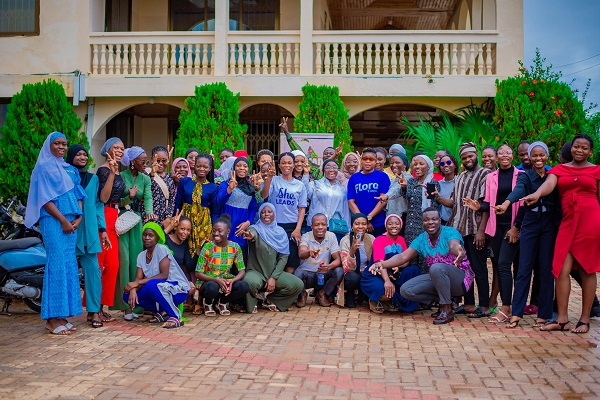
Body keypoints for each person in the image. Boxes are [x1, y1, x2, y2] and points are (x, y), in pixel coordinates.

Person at [521, 134, 600, 334]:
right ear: (570, 148)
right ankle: (562, 319)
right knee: (560, 270)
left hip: (590, 222)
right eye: (576, 146)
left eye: (584, 148)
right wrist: (537, 193)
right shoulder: (559, 169)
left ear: (590, 151)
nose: (579, 150)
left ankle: (584, 319)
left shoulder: (596, 170)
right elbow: (549, 184)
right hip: (567, 223)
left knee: (587, 269)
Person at [493, 142, 560, 329]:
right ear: (529, 157)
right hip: (530, 226)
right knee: (523, 270)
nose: (538, 159)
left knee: (546, 270)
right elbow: (518, 192)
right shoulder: (525, 177)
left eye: (542, 155)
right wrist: (506, 204)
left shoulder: (553, 176)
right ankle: (516, 313)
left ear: (547, 156)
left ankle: (544, 314)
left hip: (548, 227)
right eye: (534, 156)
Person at [25, 132, 86, 335]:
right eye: (57, 143)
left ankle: (63, 315)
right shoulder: (43, 168)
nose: (61, 147)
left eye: (64, 144)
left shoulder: (69, 169)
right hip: (54, 222)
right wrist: (62, 220)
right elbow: (44, 199)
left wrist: (78, 217)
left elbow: (78, 193)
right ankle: (51, 320)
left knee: (69, 266)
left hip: (71, 223)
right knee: (57, 266)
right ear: (49, 146)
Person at [371, 208, 473, 325]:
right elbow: (403, 257)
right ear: (422, 222)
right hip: (438, 277)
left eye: (434, 219)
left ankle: (446, 310)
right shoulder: (421, 239)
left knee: (436, 267)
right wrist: (382, 264)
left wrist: (458, 251)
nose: (430, 222)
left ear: (440, 220)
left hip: (460, 279)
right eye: (426, 220)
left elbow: (454, 245)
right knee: (406, 290)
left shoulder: (450, 232)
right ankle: (447, 302)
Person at [464, 144, 522, 323]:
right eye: (501, 153)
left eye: (508, 152)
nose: (505, 155)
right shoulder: (491, 177)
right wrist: (478, 206)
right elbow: (488, 203)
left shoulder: (521, 176)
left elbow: (522, 202)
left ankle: (506, 307)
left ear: (513, 156)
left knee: (506, 265)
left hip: (513, 226)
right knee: (501, 265)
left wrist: (516, 227)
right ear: (497, 157)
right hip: (496, 228)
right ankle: (508, 307)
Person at [66, 144, 109, 329]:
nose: (82, 157)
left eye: (85, 154)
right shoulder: (65, 176)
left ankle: (93, 311)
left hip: (90, 229)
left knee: (93, 272)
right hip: (68, 228)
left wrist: (103, 229)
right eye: (78, 154)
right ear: (71, 157)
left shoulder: (93, 179)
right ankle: (63, 312)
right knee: (67, 272)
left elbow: (98, 205)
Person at [123, 222, 190, 329]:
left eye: (151, 235)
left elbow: (164, 275)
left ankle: (175, 316)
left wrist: (137, 283)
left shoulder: (161, 249)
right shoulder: (141, 256)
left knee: (151, 285)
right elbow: (138, 279)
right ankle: (163, 312)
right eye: (145, 235)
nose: (147, 238)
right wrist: (132, 289)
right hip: (159, 288)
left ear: (157, 237)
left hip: (178, 290)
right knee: (126, 295)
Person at [115, 146, 156, 320]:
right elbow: (116, 199)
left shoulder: (145, 178)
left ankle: (136, 306)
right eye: (142, 160)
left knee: (137, 260)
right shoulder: (121, 177)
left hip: (137, 220)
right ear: (132, 162)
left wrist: (149, 212)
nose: (145, 163)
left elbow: (148, 197)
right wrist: (129, 197)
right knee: (124, 260)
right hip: (123, 220)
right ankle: (125, 307)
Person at [242, 203, 304, 312]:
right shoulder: (255, 229)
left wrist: (273, 277)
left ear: (274, 214)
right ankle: (252, 304)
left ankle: (270, 300)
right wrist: (250, 236)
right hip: (256, 272)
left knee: (297, 285)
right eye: (263, 212)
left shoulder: (280, 233)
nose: (266, 214)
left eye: (269, 212)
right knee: (249, 281)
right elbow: (252, 235)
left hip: (274, 273)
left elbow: (283, 258)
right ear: (259, 214)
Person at [452, 142, 490, 318]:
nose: (468, 160)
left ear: (476, 155)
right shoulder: (459, 177)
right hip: (459, 229)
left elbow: (486, 205)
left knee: (479, 267)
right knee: (463, 267)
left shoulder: (485, 174)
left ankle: (485, 306)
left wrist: (481, 231)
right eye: (464, 157)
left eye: (470, 156)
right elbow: (455, 204)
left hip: (475, 230)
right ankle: (468, 304)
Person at [360, 214, 421, 313]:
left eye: (397, 224)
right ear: (386, 226)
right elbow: (380, 263)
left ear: (401, 226)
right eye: (390, 224)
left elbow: (406, 260)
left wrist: (398, 265)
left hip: (394, 273)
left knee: (414, 271)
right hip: (376, 274)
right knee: (384, 290)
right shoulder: (379, 240)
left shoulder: (401, 239)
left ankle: (400, 301)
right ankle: (375, 300)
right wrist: (387, 281)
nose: (394, 226)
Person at [260, 152, 308, 273]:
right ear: (279, 165)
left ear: (293, 165)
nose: (286, 165)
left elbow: (302, 208)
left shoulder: (300, 185)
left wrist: (298, 229)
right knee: (274, 257)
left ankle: (287, 286)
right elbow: (263, 195)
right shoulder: (274, 180)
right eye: (283, 163)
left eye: (289, 163)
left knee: (291, 258)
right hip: (274, 225)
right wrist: (270, 178)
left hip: (292, 226)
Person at [96, 137, 126, 323]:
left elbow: (117, 198)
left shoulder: (117, 171)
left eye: (122, 148)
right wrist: (113, 173)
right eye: (116, 147)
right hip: (103, 216)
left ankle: (103, 305)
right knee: (101, 265)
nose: (120, 150)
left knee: (113, 265)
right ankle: (95, 308)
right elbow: (103, 198)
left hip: (115, 216)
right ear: (107, 150)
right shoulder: (103, 171)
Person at [195, 214, 249, 316]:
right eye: (214, 230)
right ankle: (208, 303)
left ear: (228, 231)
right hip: (209, 282)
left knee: (244, 286)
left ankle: (223, 302)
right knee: (212, 287)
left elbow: (242, 270)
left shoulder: (235, 247)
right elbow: (198, 273)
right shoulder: (208, 247)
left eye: (220, 231)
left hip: (226, 281)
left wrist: (232, 281)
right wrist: (216, 280)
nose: (216, 234)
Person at [396, 154, 440, 272]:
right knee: (410, 257)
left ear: (428, 166)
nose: (417, 166)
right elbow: (407, 198)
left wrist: (430, 196)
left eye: (421, 164)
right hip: (410, 226)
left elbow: (434, 207)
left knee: (424, 258)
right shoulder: (411, 181)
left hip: (424, 226)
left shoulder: (431, 183)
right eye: (415, 164)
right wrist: (404, 188)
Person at [174, 153, 220, 256]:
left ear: (210, 168)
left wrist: (214, 229)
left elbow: (214, 211)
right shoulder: (185, 181)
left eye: (205, 167)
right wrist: (175, 220)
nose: (201, 169)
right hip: (185, 221)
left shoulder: (212, 187)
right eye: (199, 166)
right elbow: (178, 202)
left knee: (201, 254)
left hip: (203, 224)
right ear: (194, 166)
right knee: (183, 251)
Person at [295, 214, 343, 307]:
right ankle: (302, 295)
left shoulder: (331, 236)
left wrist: (329, 267)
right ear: (311, 226)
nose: (320, 227)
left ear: (327, 226)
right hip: (307, 274)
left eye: (323, 224)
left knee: (339, 271)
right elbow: (301, 254)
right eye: (316, 225)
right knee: (297, 273)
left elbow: (338, 259)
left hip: (322, 274)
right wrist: (309, 253)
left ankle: (322, 294)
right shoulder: (305, 236)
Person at [217, 157, 258, 258]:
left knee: (240, 258)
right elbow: (219, 201)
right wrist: (230, 189)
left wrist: (248, 222)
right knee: (224, 256)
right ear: (234, 168)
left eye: (245, 166)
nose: (242, 168)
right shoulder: (225, 184)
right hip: (227, 224)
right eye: (238, 166)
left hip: (241, 227)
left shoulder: (250, 187)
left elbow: (253, 207)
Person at [347, 148, 390, 237]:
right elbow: (351, 202)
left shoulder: (383, 176)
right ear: (361, 160)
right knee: (359, 248)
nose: (367, 162)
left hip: (378, 223)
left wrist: (368, 218)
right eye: (365, 159)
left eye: (371, 159)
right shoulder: (354, 178)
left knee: (377, 249)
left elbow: (383, 200)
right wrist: (362, 221)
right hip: (358, 225)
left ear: (375, 161)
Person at [306, 159, 350, 242]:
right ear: (323, 170)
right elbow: (305, 196)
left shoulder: (342, 189)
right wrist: (305, 174)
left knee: (334, 253)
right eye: (328, 167)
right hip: (316, 225)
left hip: (335, 227)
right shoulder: (314, 184)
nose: (332, 170)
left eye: (335, 167)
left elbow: (345, 211)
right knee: (314, 252)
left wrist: (348, 231)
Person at [340, 213, 374, 308]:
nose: (360, 227)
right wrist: (352, 251)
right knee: (352, 278)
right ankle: (350, 294)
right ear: (352, 226)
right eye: (357, 224)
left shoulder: (371, 239)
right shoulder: (345, 240)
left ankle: (365, 295)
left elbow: (375, 260)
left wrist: (367, 269)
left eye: (363, 224)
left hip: (367, 271)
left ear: (367, 226)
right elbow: (346, 268)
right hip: (353, 273)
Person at [144, 145, 176, 224]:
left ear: (168, 160)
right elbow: (145, 190)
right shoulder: (145, 173)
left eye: (164, 160)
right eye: (157, 160)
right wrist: (152, 173)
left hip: (163, 218)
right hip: (148, 215)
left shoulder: (170, 178)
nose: (160, 163)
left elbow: (172, 200)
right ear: (152, 159)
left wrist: (168, 217)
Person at [436, 154, 457, 225]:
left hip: (456, 222)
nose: (445, 165)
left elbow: (452, 203)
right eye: (442, 164)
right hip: (442, 222)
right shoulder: (438, 184)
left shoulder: (460, 182)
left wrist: (438, 197)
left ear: (455, 165)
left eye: (448, 163)